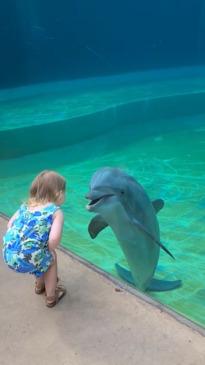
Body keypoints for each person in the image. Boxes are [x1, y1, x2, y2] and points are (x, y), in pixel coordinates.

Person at [2, 170, 67, 308]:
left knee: (35, 253)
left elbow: (10, 224)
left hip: (9, 254)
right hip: (29, 257)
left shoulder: (25, 206)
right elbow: (54, 239)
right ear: (58, 193)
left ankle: (39, 286)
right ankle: (51, 296)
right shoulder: (55, 211)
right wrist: (47, 251)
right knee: (50, 258)